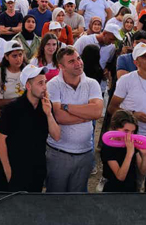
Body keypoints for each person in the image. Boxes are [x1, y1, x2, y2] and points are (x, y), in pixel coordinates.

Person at [45, 47, 103, 192]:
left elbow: (96, 112)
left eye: (78, 58)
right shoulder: (52, 85)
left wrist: (66, 106)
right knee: (56, 197)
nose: (78, 63)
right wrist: (85, 114)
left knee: (78, 199)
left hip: (85, 152)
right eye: (71, 61)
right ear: (61, 66)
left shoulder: (92, 83)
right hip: (59, 153)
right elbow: (59, 117)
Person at [0, 65, 61, 192]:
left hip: (37, 169)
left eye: (45, 82)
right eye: (40, 83)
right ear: (28, 86)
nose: (45, 87)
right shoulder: (12, 109)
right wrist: (8, 171)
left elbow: (57, 136)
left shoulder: (47, 106)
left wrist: (49, 114)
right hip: (15, 169)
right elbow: (0, 140)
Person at [108, 43, 146, 185]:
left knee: (141, 176)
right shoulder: (126, 80)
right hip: (126, 136)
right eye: (144, 56)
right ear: (136, 62)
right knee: (122, 175)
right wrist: (133, 115)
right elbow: (112, 108)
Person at [100, 110, 146, 193]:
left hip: (131, 188)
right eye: (126, 131)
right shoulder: (108, 147)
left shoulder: (132, 143)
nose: (129, 135)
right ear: (115, 128)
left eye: (132, 132)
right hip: (112, 191)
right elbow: (120, 177)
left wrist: (144, 155)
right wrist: (129, 153)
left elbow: (143, 171)